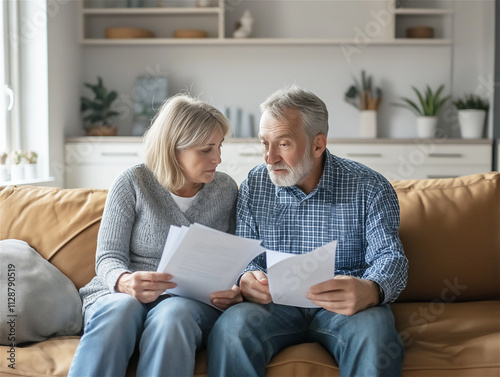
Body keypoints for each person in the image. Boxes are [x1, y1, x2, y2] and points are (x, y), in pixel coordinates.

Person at [207, 86, 409, 377]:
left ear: (318, 145)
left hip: (343, 305)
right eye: (264, 143)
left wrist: (372, 289)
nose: (269, 157)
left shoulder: (370, 187)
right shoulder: (255, 184)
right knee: (231, 330)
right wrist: (246, 277)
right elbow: (245, 255)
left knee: (374, 334)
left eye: (283, 144)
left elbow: (391, 257)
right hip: (274, 305)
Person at [68, 94, 241, 377]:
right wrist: (123, 281)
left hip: (190, 303)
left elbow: (234, 256)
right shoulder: (133, 182)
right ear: (174, 150)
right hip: (124, 293)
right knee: (121, 310)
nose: (218, 159)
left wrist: (234, 288)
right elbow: (108, 257)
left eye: (219, 147)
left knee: (172, 316)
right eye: (206, 150)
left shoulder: (225, 189)